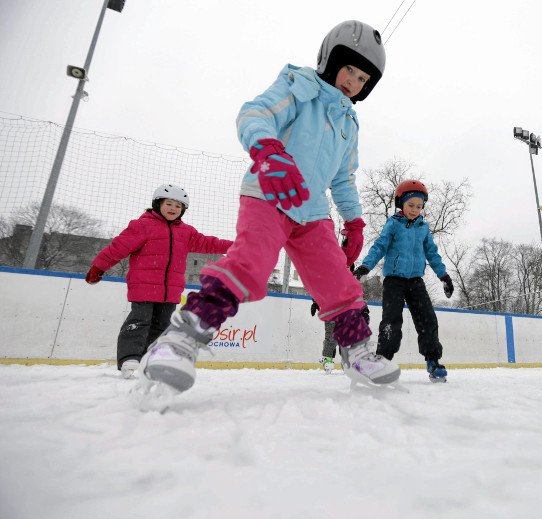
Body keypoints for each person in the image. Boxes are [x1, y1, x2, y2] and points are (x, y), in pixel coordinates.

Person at [137, 21, 399, 394]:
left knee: (340, 283)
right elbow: (254, 113)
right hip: (268, 192)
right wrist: (268, 151)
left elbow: (343, 178)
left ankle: (357, 352)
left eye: (363, 79)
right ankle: (179, 341)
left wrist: (354, 222)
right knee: (251, 264)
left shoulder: (349, 123)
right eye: (349, 70)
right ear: (330, 60)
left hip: (313, 213)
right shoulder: (299, 86)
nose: (353, 82)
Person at [85, 184, 232, 378]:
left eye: (178, 206)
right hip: (143, 287)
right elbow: (117, 248)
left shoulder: (186, 232)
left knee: (161, 327)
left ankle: (148, 359)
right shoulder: (142, 226)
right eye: (168, 203)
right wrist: (98, 267)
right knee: (139, 321)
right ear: (157, 204)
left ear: (183, 211)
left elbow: (209, 243)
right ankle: (129, 358)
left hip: (170, 291)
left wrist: (236, 246)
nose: (173, 208)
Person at [353, 180, 454, 383]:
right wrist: (365, 267)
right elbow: (380, 246)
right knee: (391, 322)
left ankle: (433, 361)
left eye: (419, 206)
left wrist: (444, 276)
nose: (415, 210)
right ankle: (383, 361)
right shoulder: (393, 224)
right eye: (411, 205)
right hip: (394, 281)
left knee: (427, 319)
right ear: (401, 203)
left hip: (416, 281)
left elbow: (432, 254)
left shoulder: (423, 228)